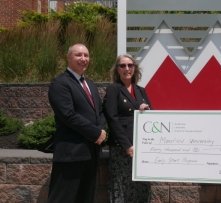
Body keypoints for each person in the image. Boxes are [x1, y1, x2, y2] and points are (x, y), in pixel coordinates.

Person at [47, 43, 107, 203]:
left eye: (86, 55)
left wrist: (102, 130)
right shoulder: (60, 83)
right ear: (68, 58)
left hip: (91, 153)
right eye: (78, 55)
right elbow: (68, 115)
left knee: (85, 198)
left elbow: (99, 112)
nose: (83, 58)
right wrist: (95, 133)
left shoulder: (91, 85)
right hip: (70, 155)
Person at [103, 54, 151, 203]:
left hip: (141, 148)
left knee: (141, 186)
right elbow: (112, 118)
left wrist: (147, 110)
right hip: (122, 148)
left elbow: (152, 115)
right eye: (122, 65)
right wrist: (127, 145)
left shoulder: (141, 90)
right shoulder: (113, 90)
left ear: (135, 68)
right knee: (121, 186)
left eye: (130, 65)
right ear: (117, 70)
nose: (127, 68)